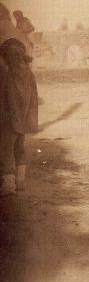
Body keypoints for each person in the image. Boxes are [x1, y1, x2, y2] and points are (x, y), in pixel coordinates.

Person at [0, 39, 38, 196]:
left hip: (8, 118)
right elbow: (33, 97)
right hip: (23, 118)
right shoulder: (27, 72)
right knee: (19, 149)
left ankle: (8, 185)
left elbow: (3, 97)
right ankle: (20, 181)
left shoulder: (6, 73)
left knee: (5, 150)